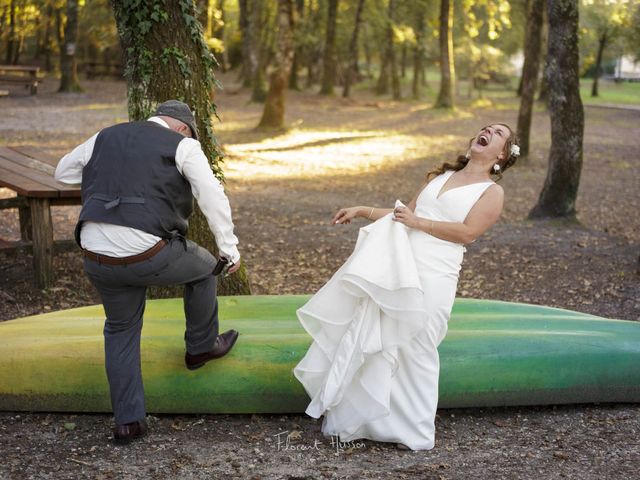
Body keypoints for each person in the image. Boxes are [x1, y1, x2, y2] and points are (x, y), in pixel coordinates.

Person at [294, 123, 520, 450]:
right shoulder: (440, 177)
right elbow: (404, 215)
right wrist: (361, 210)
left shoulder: (491, 192)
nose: (487, 130)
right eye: (486, 127)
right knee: (381, 337)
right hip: (401, 265)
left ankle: (414, 431)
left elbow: (468, 232)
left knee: (419, 343)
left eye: (497, 132)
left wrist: (420, 224)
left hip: (435, 271)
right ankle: (368, 423)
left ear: (501, 153)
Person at [54, 100, 242, 444]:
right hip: (149, 251)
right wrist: (228, 249)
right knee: (204, 270)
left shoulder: (104, 137)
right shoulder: (184, 145)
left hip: (95, 254)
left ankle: (128, 423)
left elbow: (62, 172)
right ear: (183, 127)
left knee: (120, 329)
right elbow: (212, 194)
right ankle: (201, 346)